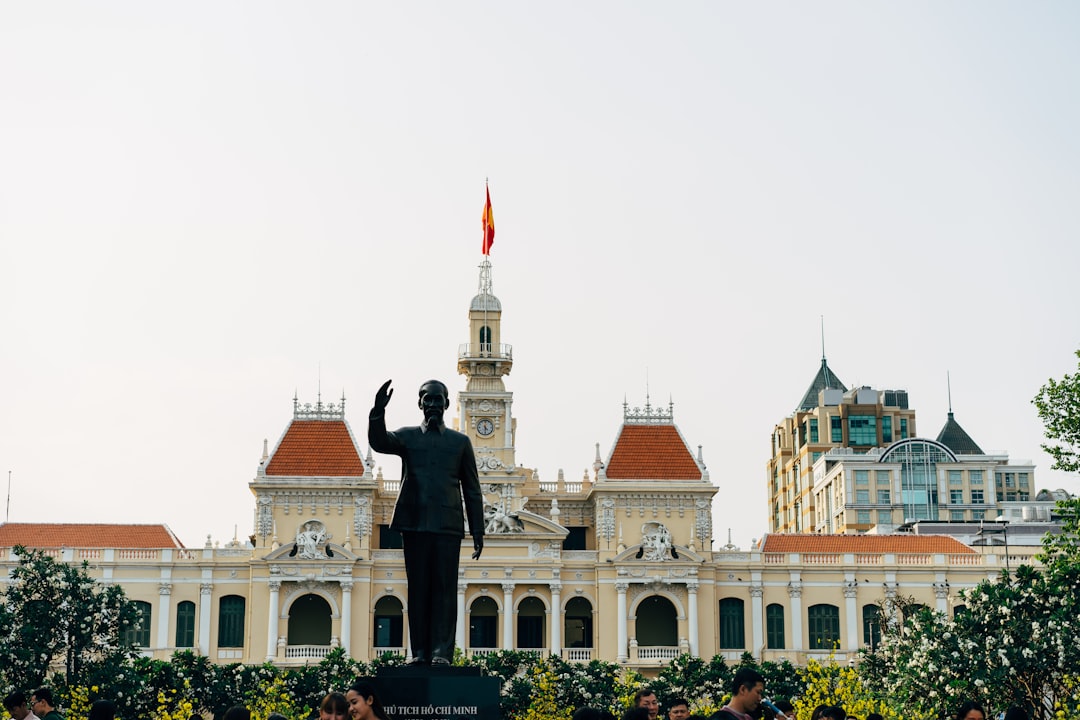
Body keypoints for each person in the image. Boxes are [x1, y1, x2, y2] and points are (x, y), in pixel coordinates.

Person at [368, 379, 485, 666]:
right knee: (418, 589)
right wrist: (377, 411)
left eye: (437, 399)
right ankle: (419, 652)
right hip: (415, 523)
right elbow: (379, 441)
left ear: (446, 404)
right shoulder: (408, 437)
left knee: (445, 590)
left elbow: (472, 489)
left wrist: (478, 530)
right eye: (427, 399)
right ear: (420, 404)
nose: (432, 405)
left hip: (448, 526)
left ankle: (442, 653)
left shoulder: (460, 442)